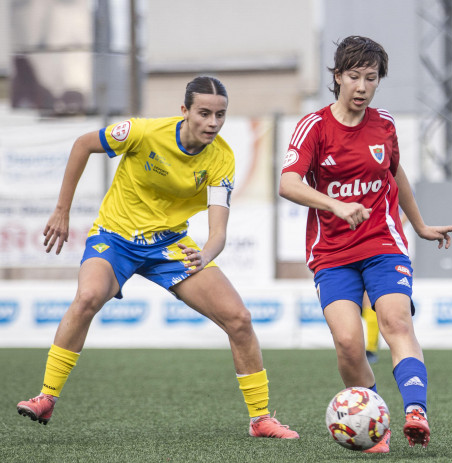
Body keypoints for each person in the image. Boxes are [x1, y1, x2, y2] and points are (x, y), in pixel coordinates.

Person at [16, 76, 299, 439]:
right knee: (87, 297)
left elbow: (218, 233)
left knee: (239, 319)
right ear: (184, 111)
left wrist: (205, 254)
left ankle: (261, 420)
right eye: (204, 113)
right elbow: (83, 144)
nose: (212, 123)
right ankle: (46, 397)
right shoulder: (142, 131)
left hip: (169, 246)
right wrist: (61, 210)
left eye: (220, 115)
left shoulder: (222, 158)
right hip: (115, 237)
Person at [279, 36, 452, 454]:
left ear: (379, 81)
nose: (362, 86)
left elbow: (397, 177)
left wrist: (419, 226)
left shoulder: (385, 125)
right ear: (338, 77)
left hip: (383, 242)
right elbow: (288, 183)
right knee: (348, 342)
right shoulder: (315, 127)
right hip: (332, 253)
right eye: (355, 77)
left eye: (371, 78)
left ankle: (416, 410)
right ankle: (375, 422)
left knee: (396, 322)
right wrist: (335, 205)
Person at [364, 211, 408, 364]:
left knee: (372, 303)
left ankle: (371, 348)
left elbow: (408, 208)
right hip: (359, 248)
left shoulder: (397, 188)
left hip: (385, 250)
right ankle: (367, 348)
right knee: (360, 306)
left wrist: (391, 228)